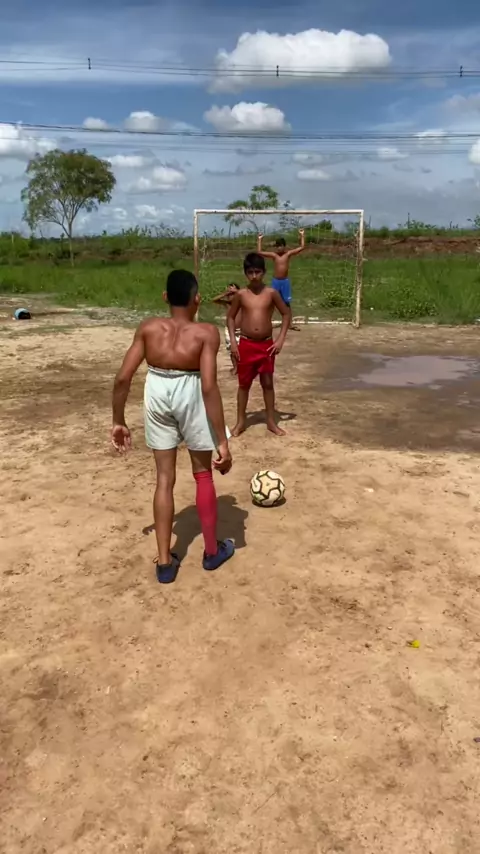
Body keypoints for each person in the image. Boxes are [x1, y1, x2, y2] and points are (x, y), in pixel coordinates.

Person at [111, 269, 235, 584]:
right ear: (198, 299)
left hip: (157, 389)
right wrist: (222, 441)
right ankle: (211, 552)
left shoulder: (148, 328)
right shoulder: (206, 333)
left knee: (164, 479)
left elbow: (123, 378)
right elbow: (209, 386)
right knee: (203, 474)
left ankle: (165, 563)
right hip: (190, 391)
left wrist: (118, 420)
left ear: (165, 297)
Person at [226, 252, 290, 437]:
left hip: (266, 345)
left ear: (264, 272)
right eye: (250, 272)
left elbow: (286, 314)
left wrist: (280, 339)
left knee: (268, 383)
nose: (254, 276)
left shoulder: (271, 293)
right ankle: (240, 422)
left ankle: (271, 421)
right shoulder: (241, 295)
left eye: (258, 272)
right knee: (244, 384)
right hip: (246, 344)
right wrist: (233, 342)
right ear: (245, 273)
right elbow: (230, 317)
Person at [257, 229, 305, 329]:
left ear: (284, 246)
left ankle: (289, 323)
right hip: (276, 282)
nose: (279, 248)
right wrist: (260, 239)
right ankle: (267, 322)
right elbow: (259, 252)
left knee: (287, 303)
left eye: (280, 246)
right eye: (277, 246)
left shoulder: (288, 254)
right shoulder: (274, 255)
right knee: (272, 302)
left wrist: (302, 235)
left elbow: (301, 247)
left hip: (285, 282)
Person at [211, 282, 241, 373]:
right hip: (229, 330)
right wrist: (225, 293)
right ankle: (235, 367)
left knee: (242, 349)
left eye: (233, 293)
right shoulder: (227, 303)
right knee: (231, 349)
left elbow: (247, 295)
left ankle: (242, 366)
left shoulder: (242, 303)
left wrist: (237, 292)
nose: (231, 295)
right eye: (229, 294)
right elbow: (214, 300)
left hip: (241, 330)